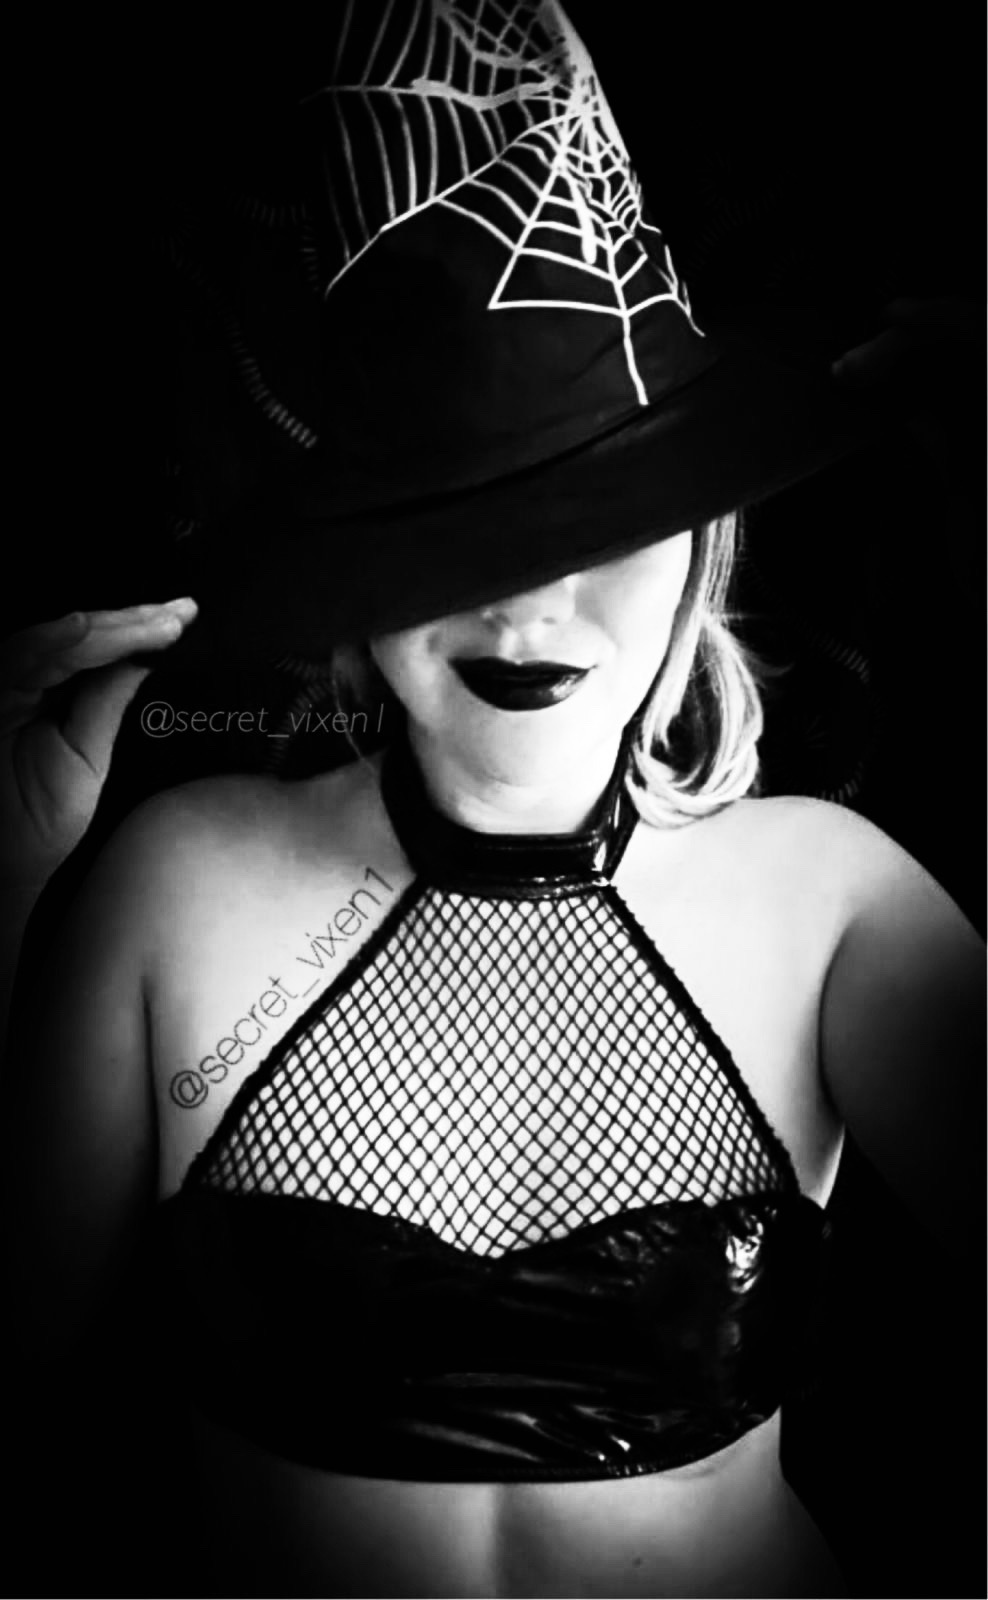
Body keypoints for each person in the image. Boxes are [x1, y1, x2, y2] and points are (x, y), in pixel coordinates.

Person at [1, 4, 983, 1596]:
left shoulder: (834, 907)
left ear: (703, 534)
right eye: (456, 524)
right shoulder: (172, 887)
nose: (527, 603)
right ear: (357, 566)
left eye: (600, 510)